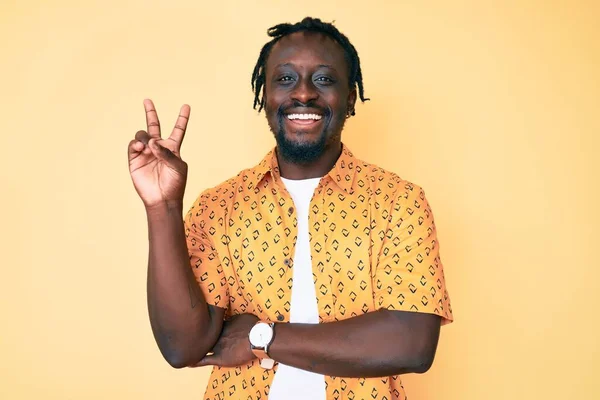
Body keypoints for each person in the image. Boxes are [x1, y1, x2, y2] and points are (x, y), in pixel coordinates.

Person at [127, 16, 453, 400]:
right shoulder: (219, 207)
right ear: (265, 96)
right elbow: (182, 346)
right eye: (285, 79)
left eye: (323, 79)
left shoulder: (398, 201)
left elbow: (411, 343)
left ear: (349, 99)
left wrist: (261, 336)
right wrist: (163, 206)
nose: (302, 94)